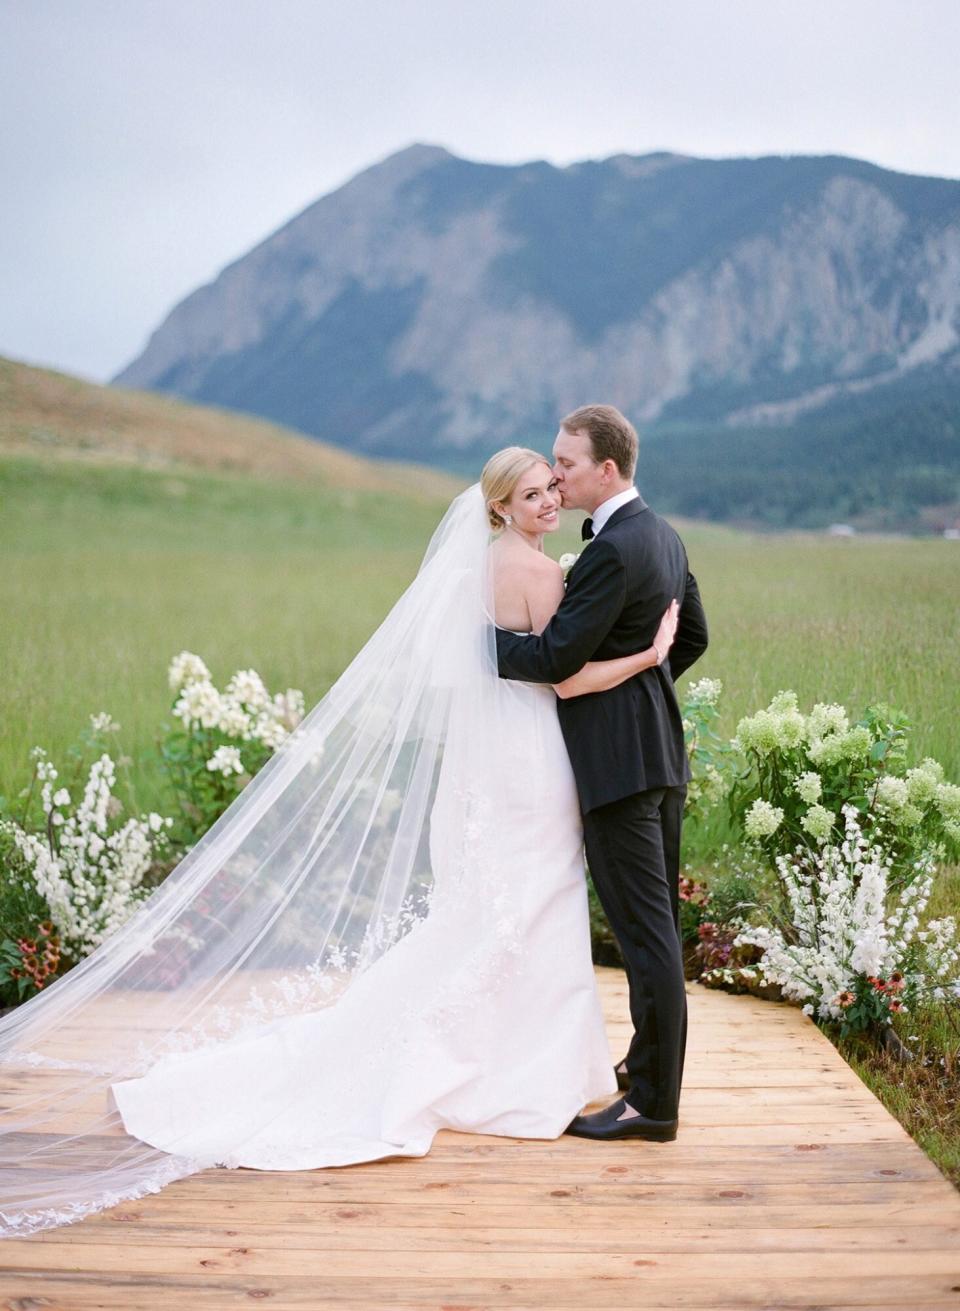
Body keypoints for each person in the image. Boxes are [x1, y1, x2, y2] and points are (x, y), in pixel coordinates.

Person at [0, 448, 679, 1237]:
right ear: (499, 506)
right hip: (528, 757)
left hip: (488, 756)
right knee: (532, 897)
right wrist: (650, 653)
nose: (548, 503)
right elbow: (565, 676)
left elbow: (492, 657)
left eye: (550, 489)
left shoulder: (482, 567)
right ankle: (525, 1072)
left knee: (497, 903)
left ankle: (520, 1058)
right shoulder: (540, 574)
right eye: (532, 495)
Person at [495, 405, 709, 1143]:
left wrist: (483, 645)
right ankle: (644, 1066)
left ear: (606, 469)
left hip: (618, 769)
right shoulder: (665, 536)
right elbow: (695, 636)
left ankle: (654, 1104)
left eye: (568, 462)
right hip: (661, 757)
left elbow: (554, 659)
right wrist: (646, 686)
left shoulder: (613, 550)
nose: (557, 474)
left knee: (645, 938)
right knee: (658, 931)